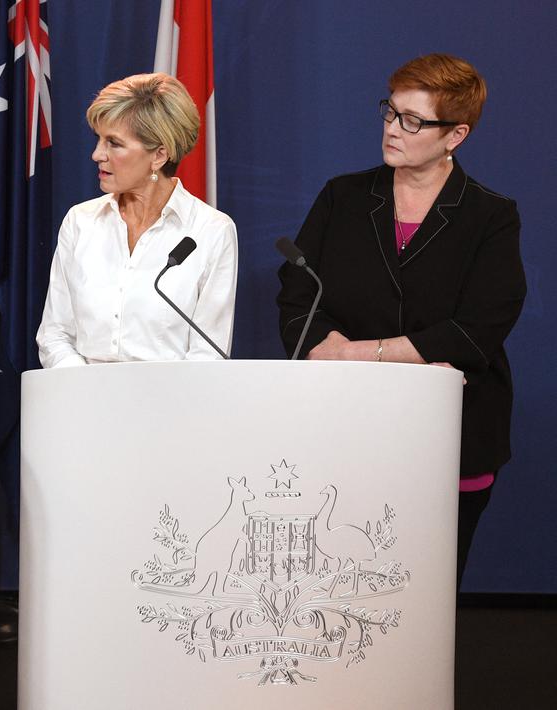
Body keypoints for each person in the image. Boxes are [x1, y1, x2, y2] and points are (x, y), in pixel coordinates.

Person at [276, 54, 526, 587]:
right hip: (342, 425)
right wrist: (324, 344)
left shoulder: (490, 216)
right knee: (340, 587)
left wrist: (359, 353)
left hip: (453, 434)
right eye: (390, 112)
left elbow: (476, 329)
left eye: (413, 121)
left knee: (425, 590)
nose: (393, 129)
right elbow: (298, 295)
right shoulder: (342, 196)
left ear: (456, 134)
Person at [36, 73, 238, 367]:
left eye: (114, 144)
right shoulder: (80, 222)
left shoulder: (211, 232)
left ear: (158, 155)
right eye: (99, 140)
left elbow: (208, 356)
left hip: (170, 406)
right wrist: (86, 391)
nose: (96, 155)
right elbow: (55, 335)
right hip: (82, 402)